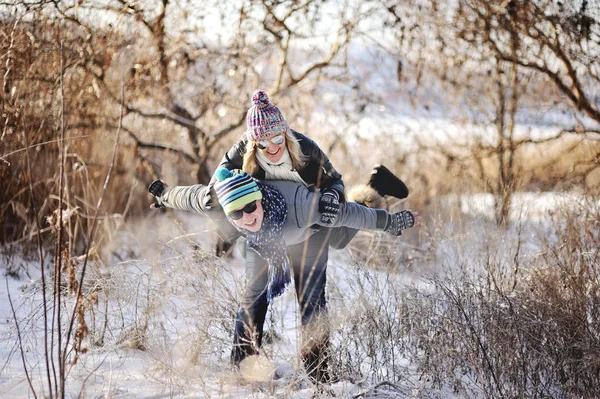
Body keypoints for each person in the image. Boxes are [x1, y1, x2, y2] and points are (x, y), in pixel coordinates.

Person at [148, 168, 418, 383]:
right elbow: (193, 197)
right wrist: (164, 194)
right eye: (237, 214)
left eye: (250, 208)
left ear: (259, 200)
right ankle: (242, 366)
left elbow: (349, 214)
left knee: (321, 274)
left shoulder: (302, 204)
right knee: (255, 292)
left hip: (310, 228)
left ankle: (318, 374)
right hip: (266, 240)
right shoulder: (222, 201)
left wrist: (388, 222)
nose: (246, 216)